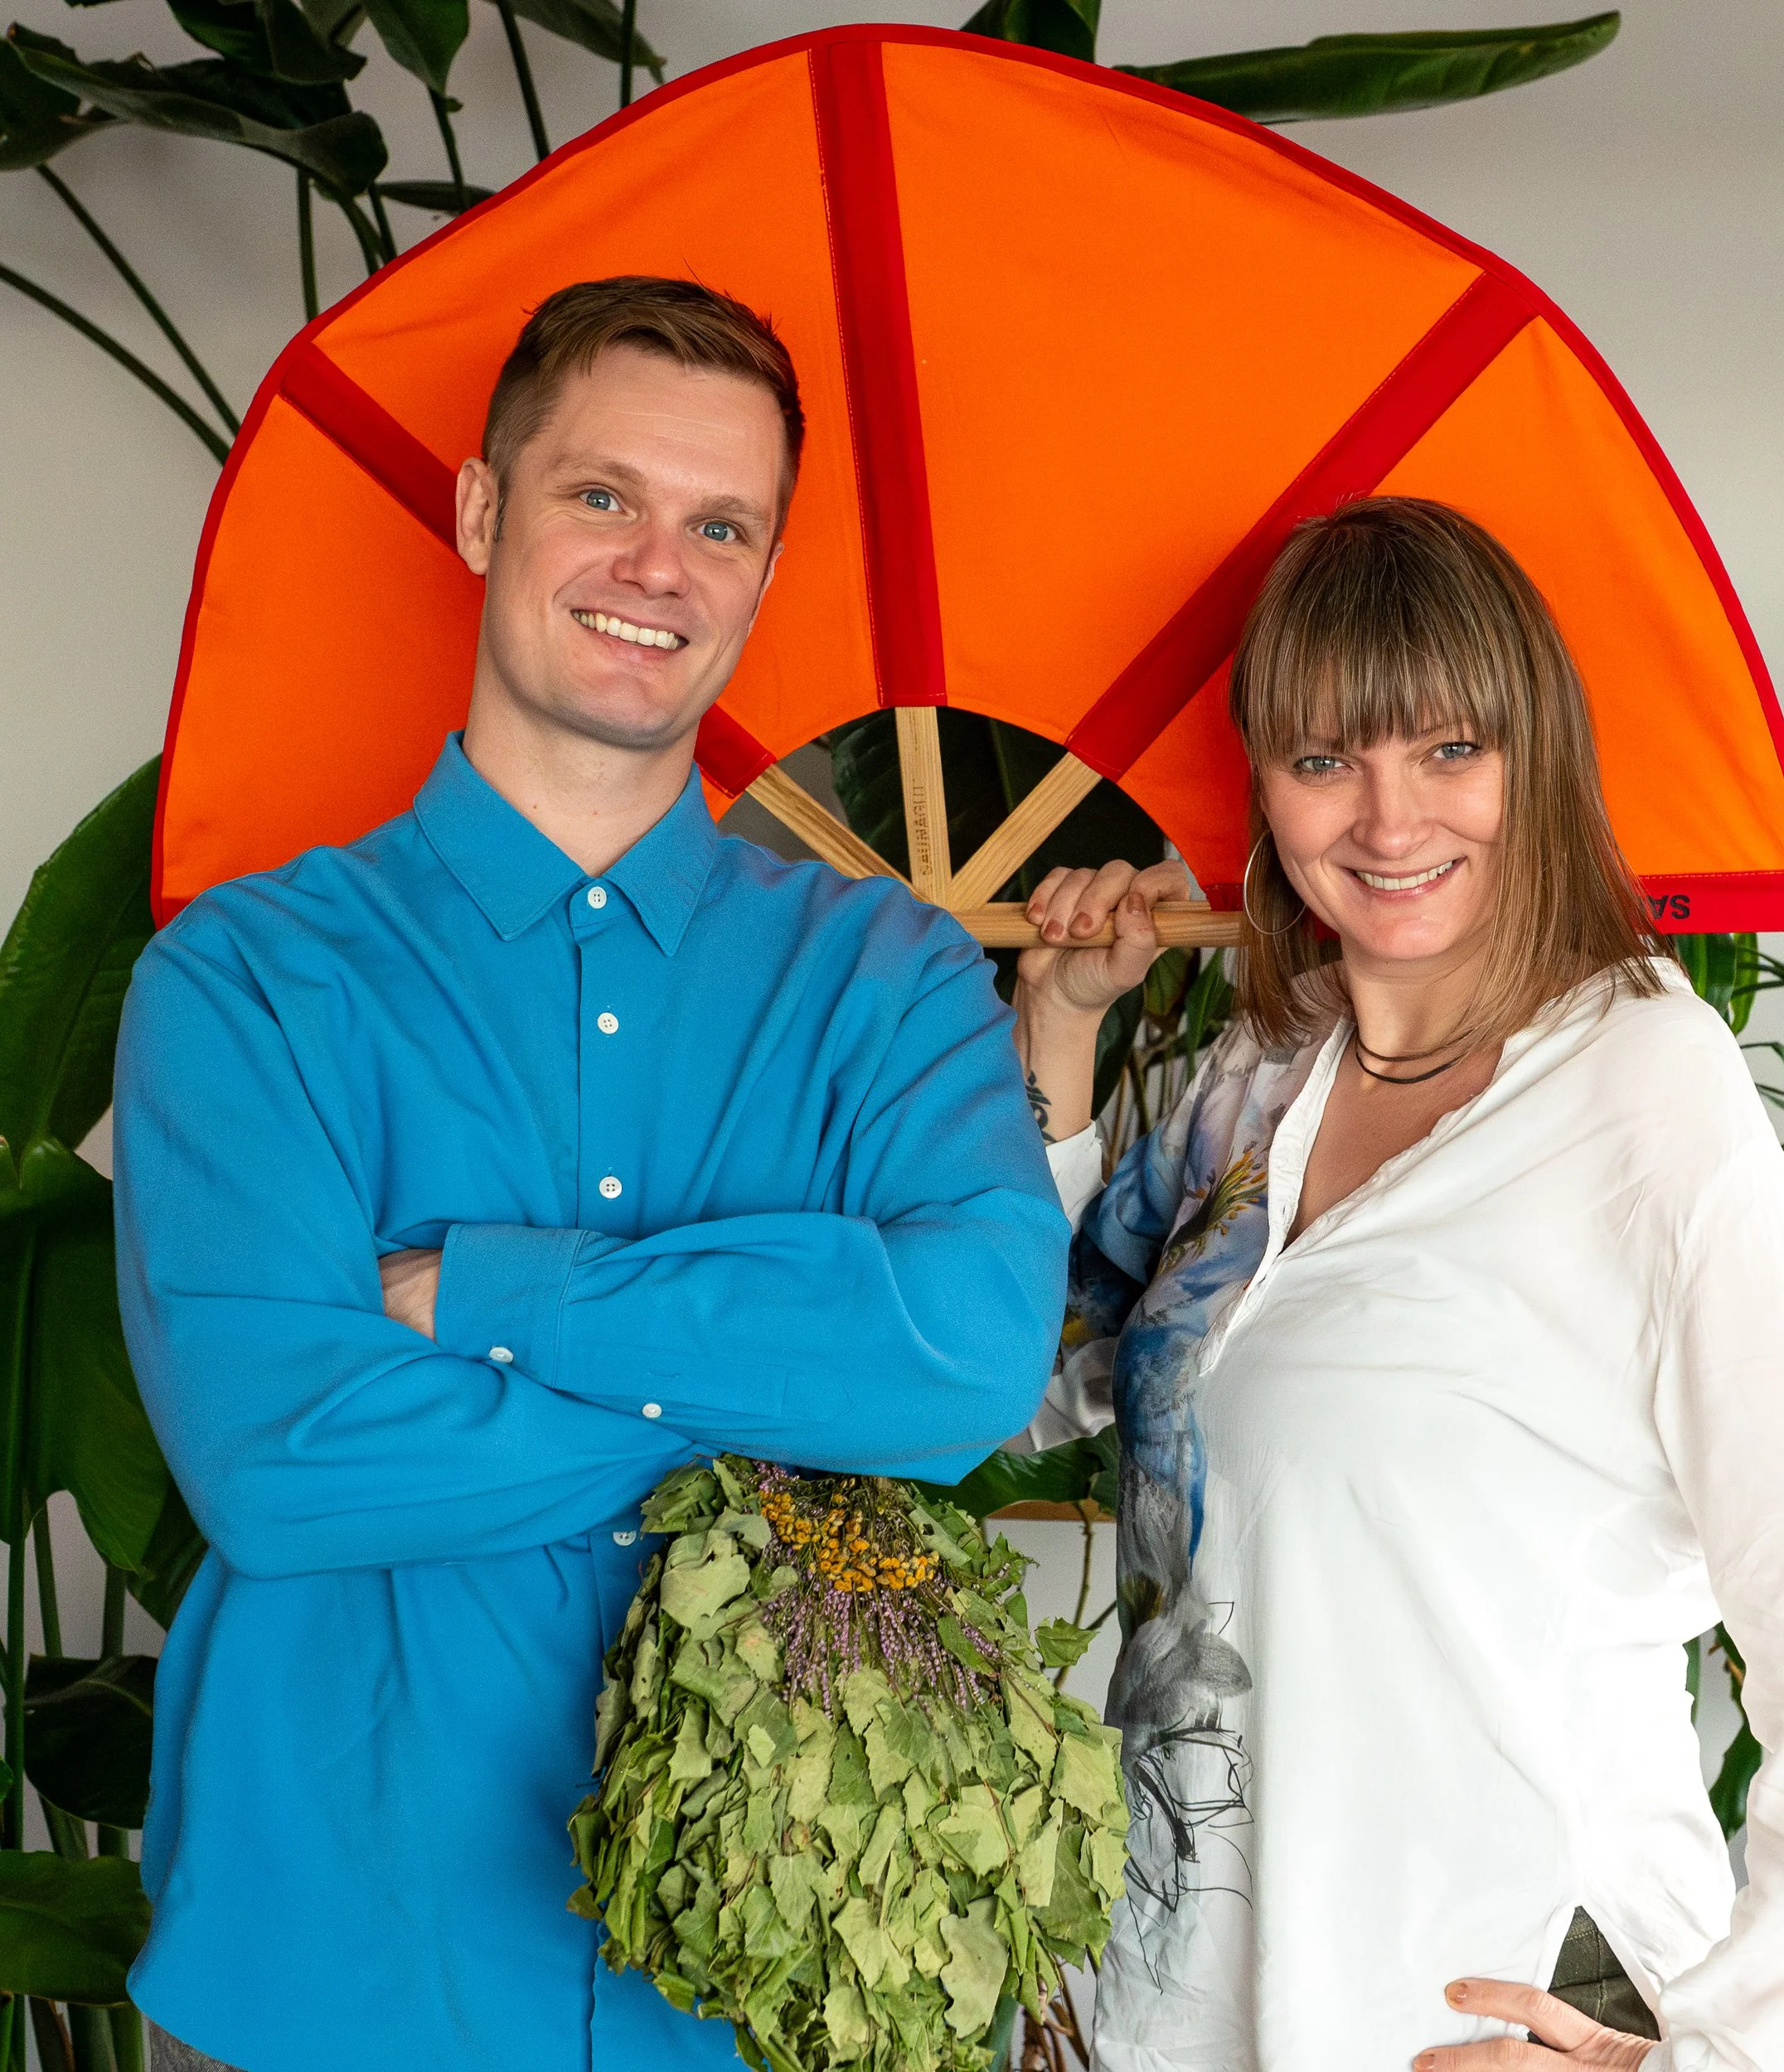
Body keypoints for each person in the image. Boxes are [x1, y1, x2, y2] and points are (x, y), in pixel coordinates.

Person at [114, 277, 1070, 2072]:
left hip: (756, 1997)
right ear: (483, 512)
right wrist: (787, 1422)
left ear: (764, 573)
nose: (658, 566)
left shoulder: (887, 977)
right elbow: (281, 1460)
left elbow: (963, 1361)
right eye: (602, 497)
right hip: (335, 1965)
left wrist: (497, 1293)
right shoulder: (249, 980)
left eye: (719, 524)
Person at [1011, 497, 1784, 2072]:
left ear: (1538, 752)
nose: (1388, 822)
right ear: (1266, 784)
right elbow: (1035, 1370)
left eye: (1450, 749)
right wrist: (1060, 1029)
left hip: (1487, 1996)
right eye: (1327, 761)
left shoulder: (1637, 1088)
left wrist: (1727, 2061)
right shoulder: (1261, 1075)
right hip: (1189, 1991)